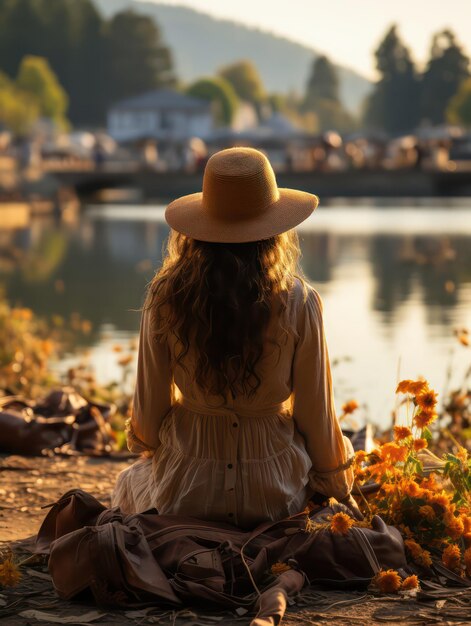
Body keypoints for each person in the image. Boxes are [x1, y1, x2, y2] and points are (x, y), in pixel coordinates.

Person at [112, 147, 361, 527]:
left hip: (186, 494)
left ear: (200, 229)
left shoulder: (165, 297)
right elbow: (316, 417)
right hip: (274, 495)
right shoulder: (300, 301)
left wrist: (160, 450)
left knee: (129, 482)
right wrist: (337, 485)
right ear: (274, 229)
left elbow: (147, 424)